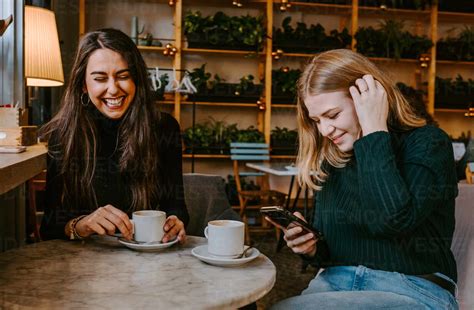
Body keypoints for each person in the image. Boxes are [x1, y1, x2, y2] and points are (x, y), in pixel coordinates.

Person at [268, 49, 458, 309]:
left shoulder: (428, 144)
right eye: (316, 120)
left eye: (333, 115)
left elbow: (391, 220)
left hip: (414, 289)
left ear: (368, 97)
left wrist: (374, 131)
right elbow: (334, 250)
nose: (324, 130)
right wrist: (311, 248)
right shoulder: (334, 160)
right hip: (336, 284)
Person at [40, 28, 189, 244]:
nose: (113, 89)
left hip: (146, 256)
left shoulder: (164, 128)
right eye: (100, 78)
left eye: (123, 76)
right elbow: (50, 227)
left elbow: (177, 208)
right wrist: (81, 224)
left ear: (136, 80)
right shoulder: (61, 135)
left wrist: (176, 223)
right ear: (83, 85)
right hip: (84, 262)